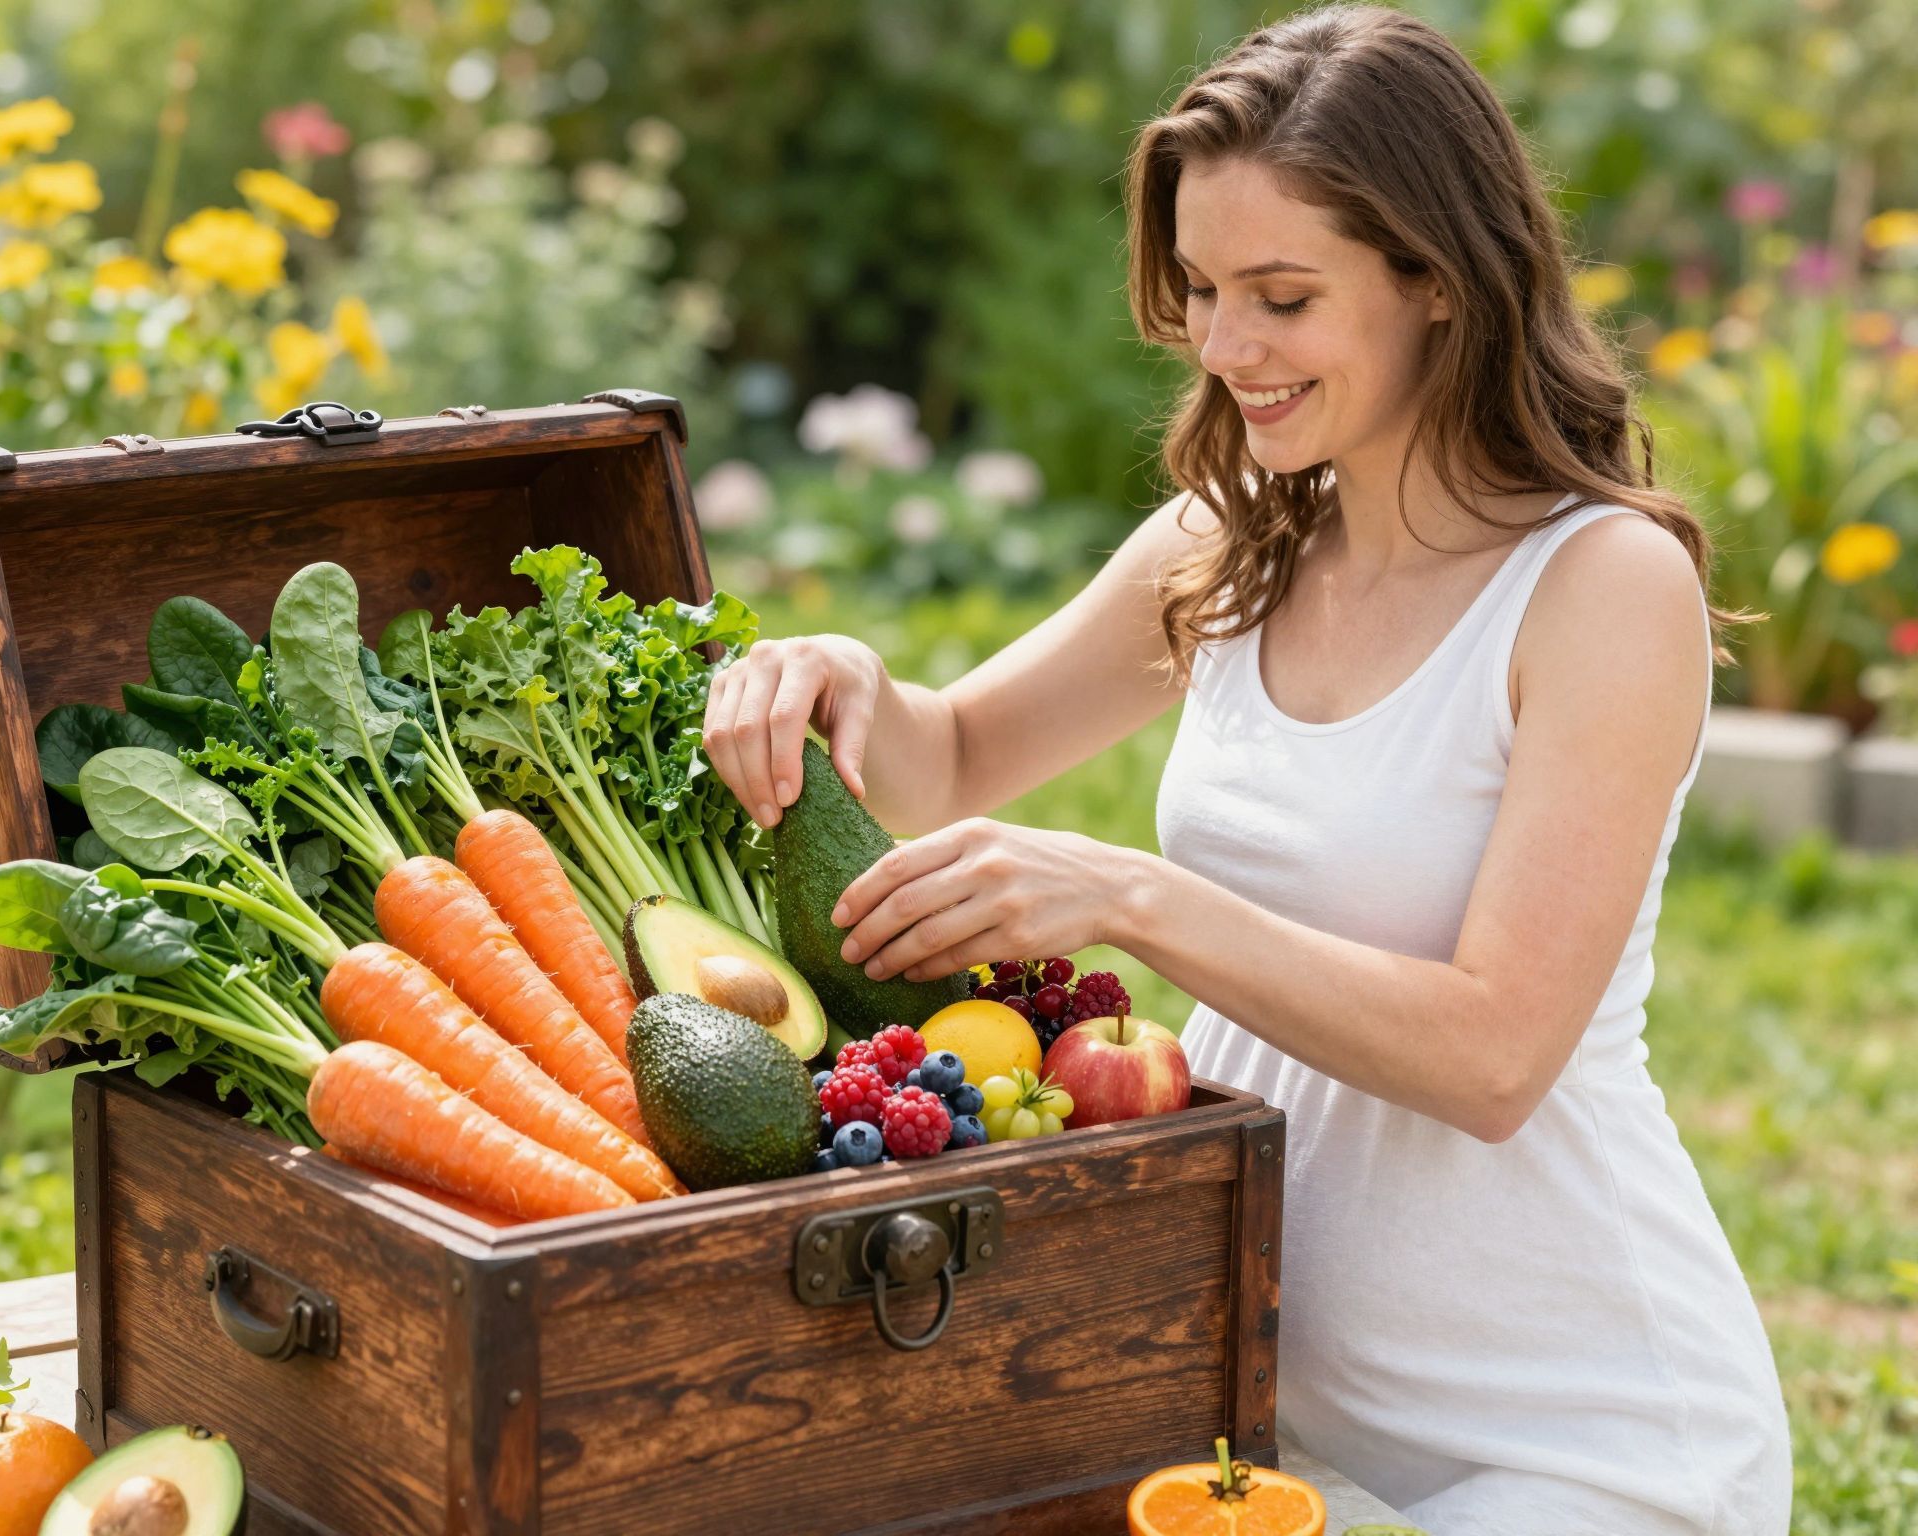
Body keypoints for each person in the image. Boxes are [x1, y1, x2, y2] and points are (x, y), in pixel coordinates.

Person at [700, 6, 1791, 1533]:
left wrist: (1137, 898)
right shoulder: (1231, 549)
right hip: (1243, 1404)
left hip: (1576, 1435)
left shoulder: (1601, 588)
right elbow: (949, 756)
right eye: (1205, 291)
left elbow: (1496, 1059)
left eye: (1282, 296)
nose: (1223, 349)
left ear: (1437, 284)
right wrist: (844, 681)